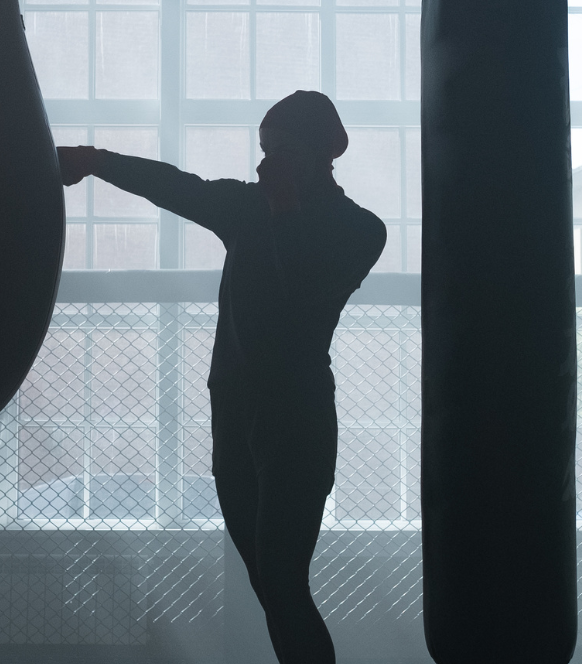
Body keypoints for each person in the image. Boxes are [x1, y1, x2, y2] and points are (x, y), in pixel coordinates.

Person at [57, 90, 385, 664]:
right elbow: (176, 186)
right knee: (270, 585)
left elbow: (303, 290)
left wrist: (283, 208)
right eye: (264, 150)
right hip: (235, 414)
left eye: (280, 150)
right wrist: (94, 160)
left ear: (317, 153)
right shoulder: (250, 208)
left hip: (296, 421)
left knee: (281, 581)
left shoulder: (359, 230)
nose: (265, 163)